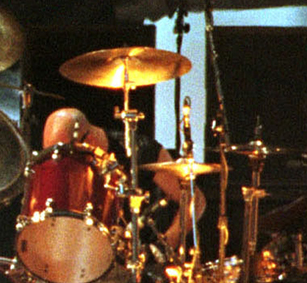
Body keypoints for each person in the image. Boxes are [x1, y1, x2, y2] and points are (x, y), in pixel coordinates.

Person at [40, 105, 202, 256]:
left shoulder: (140, 151)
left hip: (138, 257)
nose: (60, 163)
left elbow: (196, 201)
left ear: (89, 140)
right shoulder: (66, 167)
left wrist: (166, 243)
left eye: (65, 154)